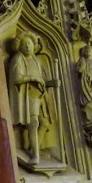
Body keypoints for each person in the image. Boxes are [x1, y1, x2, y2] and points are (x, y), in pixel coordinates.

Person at [8, 32, 58, 164]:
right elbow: (16, 78)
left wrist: (52, 83)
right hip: (28, 96)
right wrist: (32, 78)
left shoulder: (37, 60)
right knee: (33, 123)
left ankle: (34, 149)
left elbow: (43, 81)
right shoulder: (18, 58)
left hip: (40, 96)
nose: (27, 46)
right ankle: (35, 155)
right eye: (24, 44)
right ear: (19, 46)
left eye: (29, 44)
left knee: (45, 123)